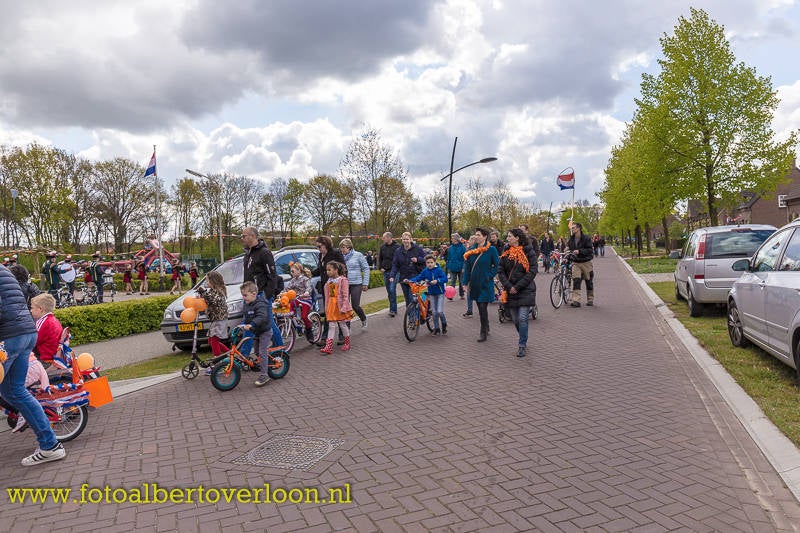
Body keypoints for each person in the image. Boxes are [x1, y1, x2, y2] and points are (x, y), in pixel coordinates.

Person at [0, 264, 66, 465]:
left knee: (15, 392)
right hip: (25, 334)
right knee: (15, 392)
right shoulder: (4, 270)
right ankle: (50, 445)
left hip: (8, 337)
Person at [241, 227, 284, 348]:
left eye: (244, 236)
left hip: (261, 295)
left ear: (253, 236)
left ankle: (280, 350)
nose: (242, 238)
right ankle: (245, 356)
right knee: (248, 324)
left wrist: (267, 295)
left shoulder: (264, 253)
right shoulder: (247, 254)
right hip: (249, 295)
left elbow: (272, 275)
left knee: (269, 324)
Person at [498, 228, 538, 358]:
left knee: (522, 318)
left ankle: (522, 345)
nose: (507, 238)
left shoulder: (528, 251)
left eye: (509, 236)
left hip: (525, 289)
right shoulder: (506, 251)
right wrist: (509, 286)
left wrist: (518, 286)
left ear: (517, 238)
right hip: (510, 291)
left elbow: (532, 270)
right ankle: (523, 335)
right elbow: (501, 271)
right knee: (515, 319)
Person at [462, 227, 499, 342]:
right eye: (476, 234)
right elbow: (467, 268)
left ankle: (483, 332)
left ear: (485, 237)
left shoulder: (491, 249)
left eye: (478, 235)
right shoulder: (471, 249)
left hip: (486, 283)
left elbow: (497, 265)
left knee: (483, 306)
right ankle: (486, 324)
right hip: (475, 283)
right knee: (480, 306)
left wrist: (490, 275)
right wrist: (464, 283)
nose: (476, 237)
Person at [313, 236, 346, 345]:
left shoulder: (335, 253)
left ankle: (343, 336)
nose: (318, 249)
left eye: (319, 246)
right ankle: (325, 338)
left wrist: (340, 283)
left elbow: (343, 268)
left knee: (340, 311)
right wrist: (309, 273)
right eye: (317, 247)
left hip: (336, 287)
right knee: (328, 311)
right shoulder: (320, 255)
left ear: (325, 244)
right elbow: (321, 270)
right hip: (326, 287)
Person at [240, 281, 272, 387]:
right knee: (257, 352)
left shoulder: (260, 304)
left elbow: (261, 317)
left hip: (264, 331)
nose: (244, 298)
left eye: (245, 295)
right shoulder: (247, 305)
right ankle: (263, 365)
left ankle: (264, 375)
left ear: (254, 293)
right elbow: (246, 316)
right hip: (256, 331)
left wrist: (252, 324)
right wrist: (242, 324)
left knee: (262, 352)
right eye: (243, 295)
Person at [406, 255, 448, 335]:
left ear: (435, 263)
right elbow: (419, 277)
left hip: (440, 293)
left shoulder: (438, 270)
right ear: (425, 263)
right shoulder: (425, 271)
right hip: (431, 294)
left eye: (431, 262)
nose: (430, 264)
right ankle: (436, 328)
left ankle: (444, 323)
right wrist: (409, 280)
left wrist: (437, 280)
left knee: (439, 311)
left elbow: (445, 278)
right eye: (428, 263)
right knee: (434, 312)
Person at [319, 261, 353, 354]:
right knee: (331, 325)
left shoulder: (343, 280)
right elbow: (327, 296)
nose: (327, 272)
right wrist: (326, 307)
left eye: (329, 270)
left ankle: (347, 342)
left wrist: (344, 307)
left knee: (342, 324)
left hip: (340, 306)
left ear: (336, 270)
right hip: (331, 305)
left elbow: (345, 295)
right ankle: (328, 346)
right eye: (326, 270)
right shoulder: (328, 282)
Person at [388, 232, 425, 311]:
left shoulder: (417, 248)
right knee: (407, 300)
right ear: (402, 240)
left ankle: (415, 318)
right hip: (403, 277)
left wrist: (417, 259)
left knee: (412, 298)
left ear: (410, 239)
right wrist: (392, 276)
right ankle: (411, 318)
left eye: (407, 239)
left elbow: (426, 259)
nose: (405, 241)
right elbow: (395, 264)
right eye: (404, 239)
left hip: (415, 276)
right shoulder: (398, 251)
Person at [339, 238, 370, 330]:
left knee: (355, 305)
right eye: (341, 248)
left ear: (349, 247)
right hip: (344, 284)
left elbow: (366, 268)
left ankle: (363, 318)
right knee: (345, 305)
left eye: (343, 247)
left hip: (356, 283)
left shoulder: (358, 255)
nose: (342, 250)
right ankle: (347, 327)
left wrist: (365, 283)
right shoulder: (340, 257)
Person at [198, 271, 229, 358]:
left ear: (213, 281)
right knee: (211, 341)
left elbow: (212, 300)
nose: (206, 283)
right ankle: (230, 354)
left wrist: (203, 292)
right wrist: (202, 294)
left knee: (214, 340)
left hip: (220, 319)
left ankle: (217, 360)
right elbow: (207, 300)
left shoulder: (219, 291)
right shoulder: (212, 291)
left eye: (207, 281)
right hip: (216, 319)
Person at [567, 221, 595, 307]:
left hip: (586, 262)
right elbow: (570, 251)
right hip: (576, 263)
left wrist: (580, 251)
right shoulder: (571, 239)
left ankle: (590, 299)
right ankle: (576, 301)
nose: (572, 229)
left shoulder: (586, 238)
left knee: (588, 281)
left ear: (578, 228)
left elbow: (590, 250)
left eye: (573, 227)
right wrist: (567, 255)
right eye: (572, 228)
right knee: (576, 281)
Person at [286, 262, 315, 343]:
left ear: (299, 271)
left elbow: (309, 287)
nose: (291, 273)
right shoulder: (292, 280)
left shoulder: (305, 279)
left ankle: (309, 332)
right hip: (296, 299)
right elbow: (287, 289)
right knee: (290, 311)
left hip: (305, 299)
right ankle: (297, 326)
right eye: (291, 272)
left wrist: (306, 292)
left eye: (293, 271)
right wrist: (282, 293)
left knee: (304, 316)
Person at [30, 293, 63, 364]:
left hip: (44, 360)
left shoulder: (44, 322)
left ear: (40, 309)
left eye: (32, 308)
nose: (31, 310)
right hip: (53, 357)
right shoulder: (54, 320)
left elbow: (33, 342)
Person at [378, 232, 401, 317]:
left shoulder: (397, 247)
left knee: (392, 289)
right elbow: (380, 258)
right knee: (389, 291)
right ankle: (393, 307)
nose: (383, 239)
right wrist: (380, 267)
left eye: (384, 237)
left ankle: (393, 310)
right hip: (385, 271)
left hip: (394, 272)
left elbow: (399, 259)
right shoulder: (382, 247)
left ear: (389, 238)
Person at [444, 233, 466, 300]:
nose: (451, 239)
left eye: (452, 238)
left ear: (456, 239)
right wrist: (448, 266)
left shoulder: (462, 247)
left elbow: (465, 258)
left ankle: (461, 294)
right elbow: (449, 258)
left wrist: (463, 267)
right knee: (452, 281)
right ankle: (450, 295)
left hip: (460, 267)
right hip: (452, 267)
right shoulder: (450, 248)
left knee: (461, 281)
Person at [462, 234, 479, 318]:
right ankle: (470, 310)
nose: (468, 241)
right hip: (471, 274)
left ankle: (471, 310)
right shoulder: (469, 250)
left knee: (471, 293)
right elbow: (465, 262)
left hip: (473, 274)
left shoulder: (474, 251)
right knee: (470, 293)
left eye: (470, 240)